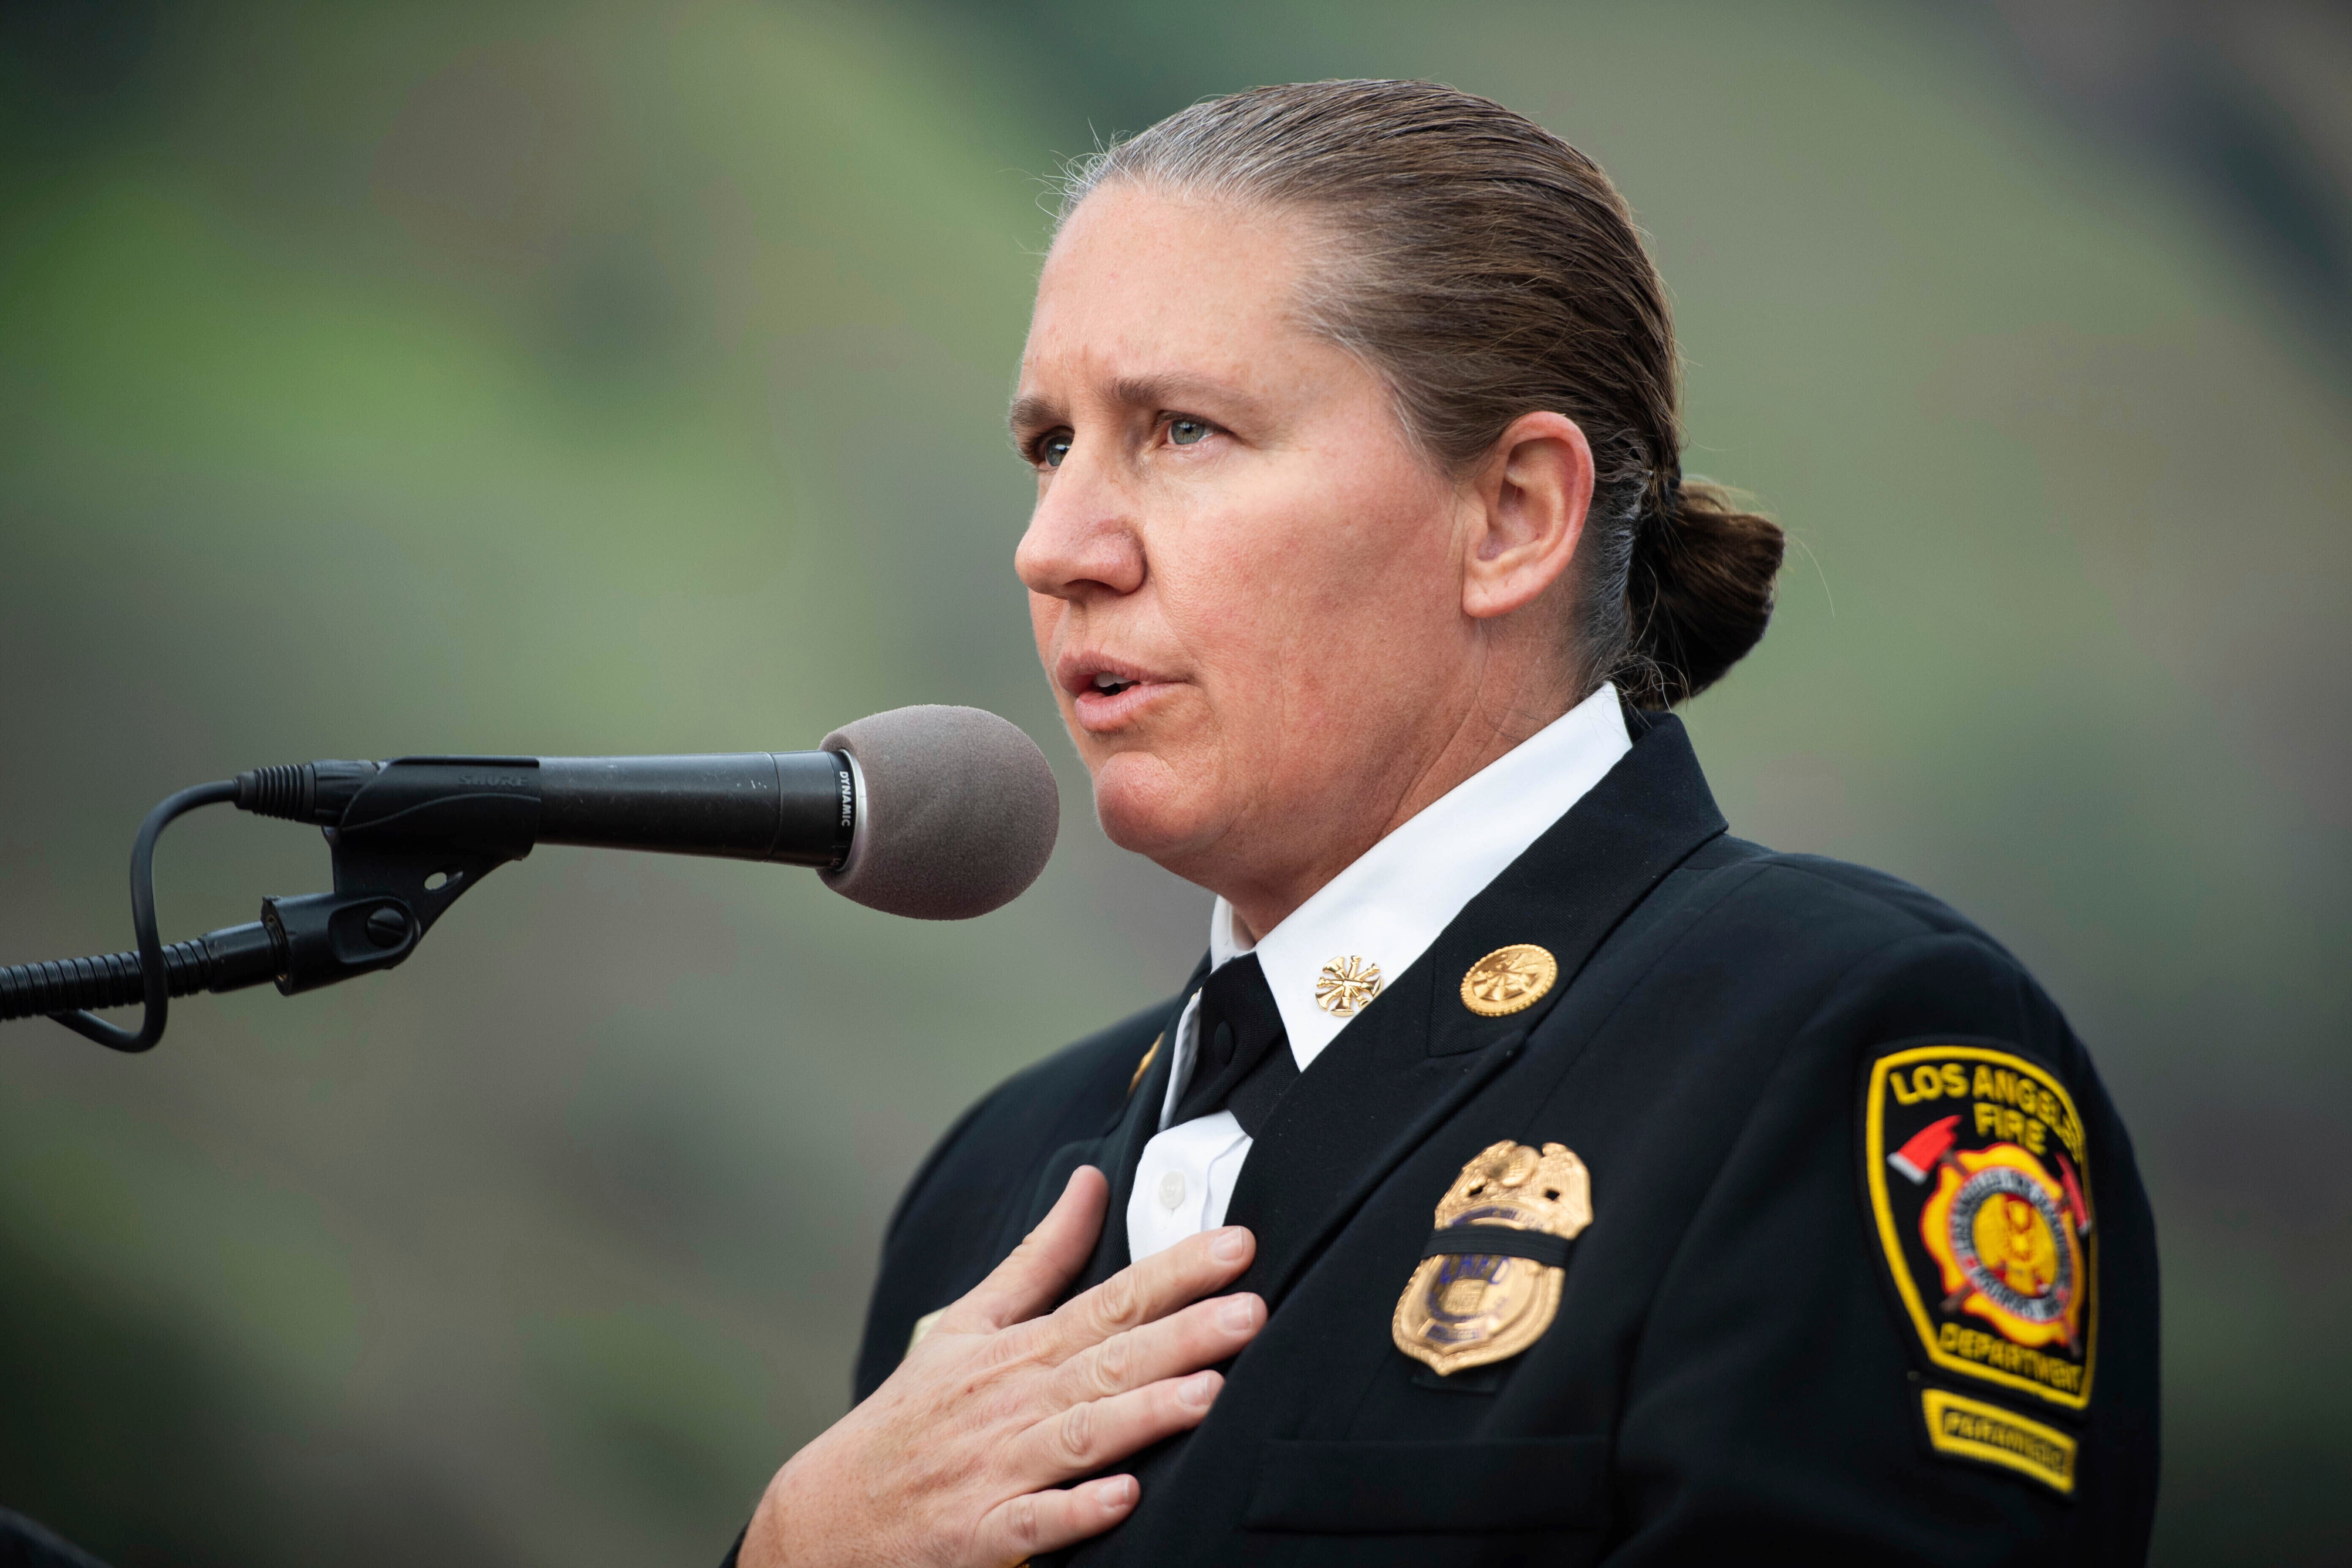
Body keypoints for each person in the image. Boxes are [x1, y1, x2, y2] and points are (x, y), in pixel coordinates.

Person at [728, 79, 2158, 1566]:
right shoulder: (995, 1181)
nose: (1058, 546)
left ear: (1514, 516)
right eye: (1049, 446)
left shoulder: (1834, 1043)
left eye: (1184, 430)